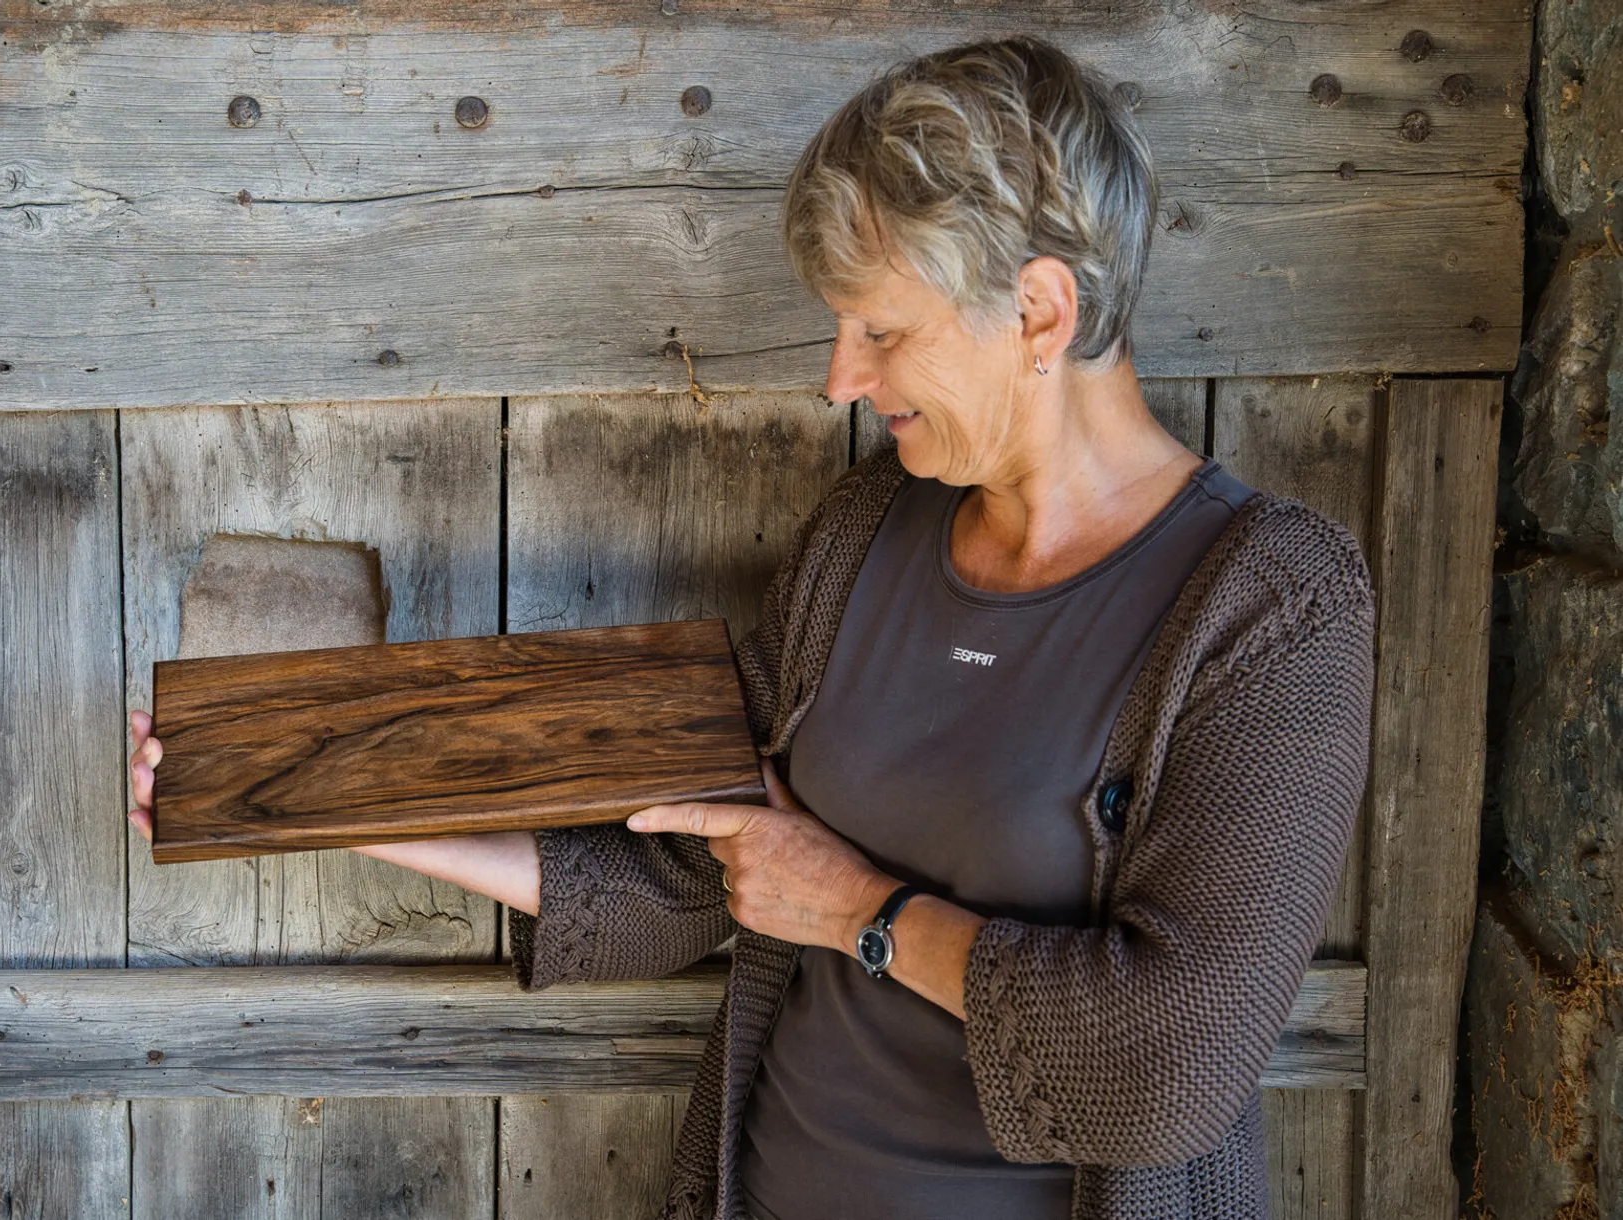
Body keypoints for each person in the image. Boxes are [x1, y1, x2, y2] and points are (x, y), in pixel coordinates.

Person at [128, 34, 1374, 1220]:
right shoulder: (866, 531)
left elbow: (1172, 1070)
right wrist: (320, 789)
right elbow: (699, 867)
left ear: (1042, 312)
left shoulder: (1270, 602)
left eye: (881, 331)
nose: (840, 379)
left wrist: (858, 912)